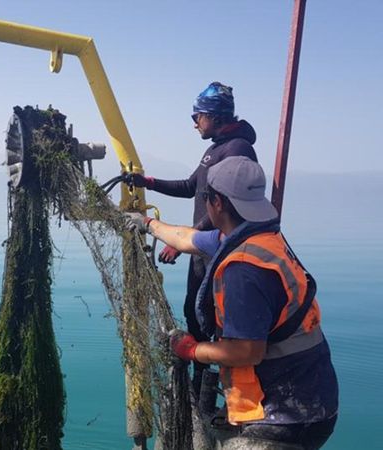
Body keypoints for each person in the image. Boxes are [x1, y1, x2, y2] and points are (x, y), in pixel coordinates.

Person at [125, 156, 338, 450]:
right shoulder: (258, 238)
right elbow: (187, 238)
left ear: (218, 203)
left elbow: (246, 351)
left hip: (284, 417)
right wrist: (148, 224)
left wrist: (191, 350)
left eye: (207, 197)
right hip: (316, 402)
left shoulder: (243, 270)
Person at [125, 81, 258, 344]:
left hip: (221, 248)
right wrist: (148, 182)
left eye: (197, 116)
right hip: (202, 246)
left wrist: (184, 242)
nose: (194, 122)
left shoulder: (237, 149)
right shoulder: (215, 149)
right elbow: (190, 187)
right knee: (193, 311)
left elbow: (227, 203)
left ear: (213, 115)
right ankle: (199, 375)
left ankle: (213, 375)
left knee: (217, 315)